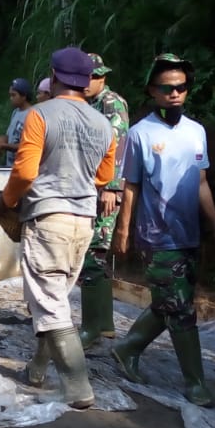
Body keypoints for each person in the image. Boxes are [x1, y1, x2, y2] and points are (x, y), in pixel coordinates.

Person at [0, 46, 116, 411]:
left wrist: (4, 203)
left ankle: (78, 388)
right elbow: (104, 176)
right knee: (55, 298)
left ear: (56, 77)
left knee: (50, 304)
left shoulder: (39, 115)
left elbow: (26, 172)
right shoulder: (103, 123)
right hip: (84, 221)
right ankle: (37, 368)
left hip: (49, 219)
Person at [109, 54, 215, 407]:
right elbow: (131, 186)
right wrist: (124, 232)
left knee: (171, 301)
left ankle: (127, 349)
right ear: (152, 91)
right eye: (167, 88)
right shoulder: (140, 134)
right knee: (181, 308)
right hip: (157, 234)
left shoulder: (196, 132)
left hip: (190, 232)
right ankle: (196, 383)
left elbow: (201, 182)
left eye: (181, 87)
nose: (175, 93)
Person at [77, 53, 129, 349]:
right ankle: (105, 323)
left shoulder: (112, 103)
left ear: (103, 77)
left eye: (92, 77)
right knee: (96, 253)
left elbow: (118, 146)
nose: (87, 82)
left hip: (105, 190)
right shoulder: (88, 104)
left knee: (92, 254)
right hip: (89, 186)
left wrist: (112, 188)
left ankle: (91, 328)